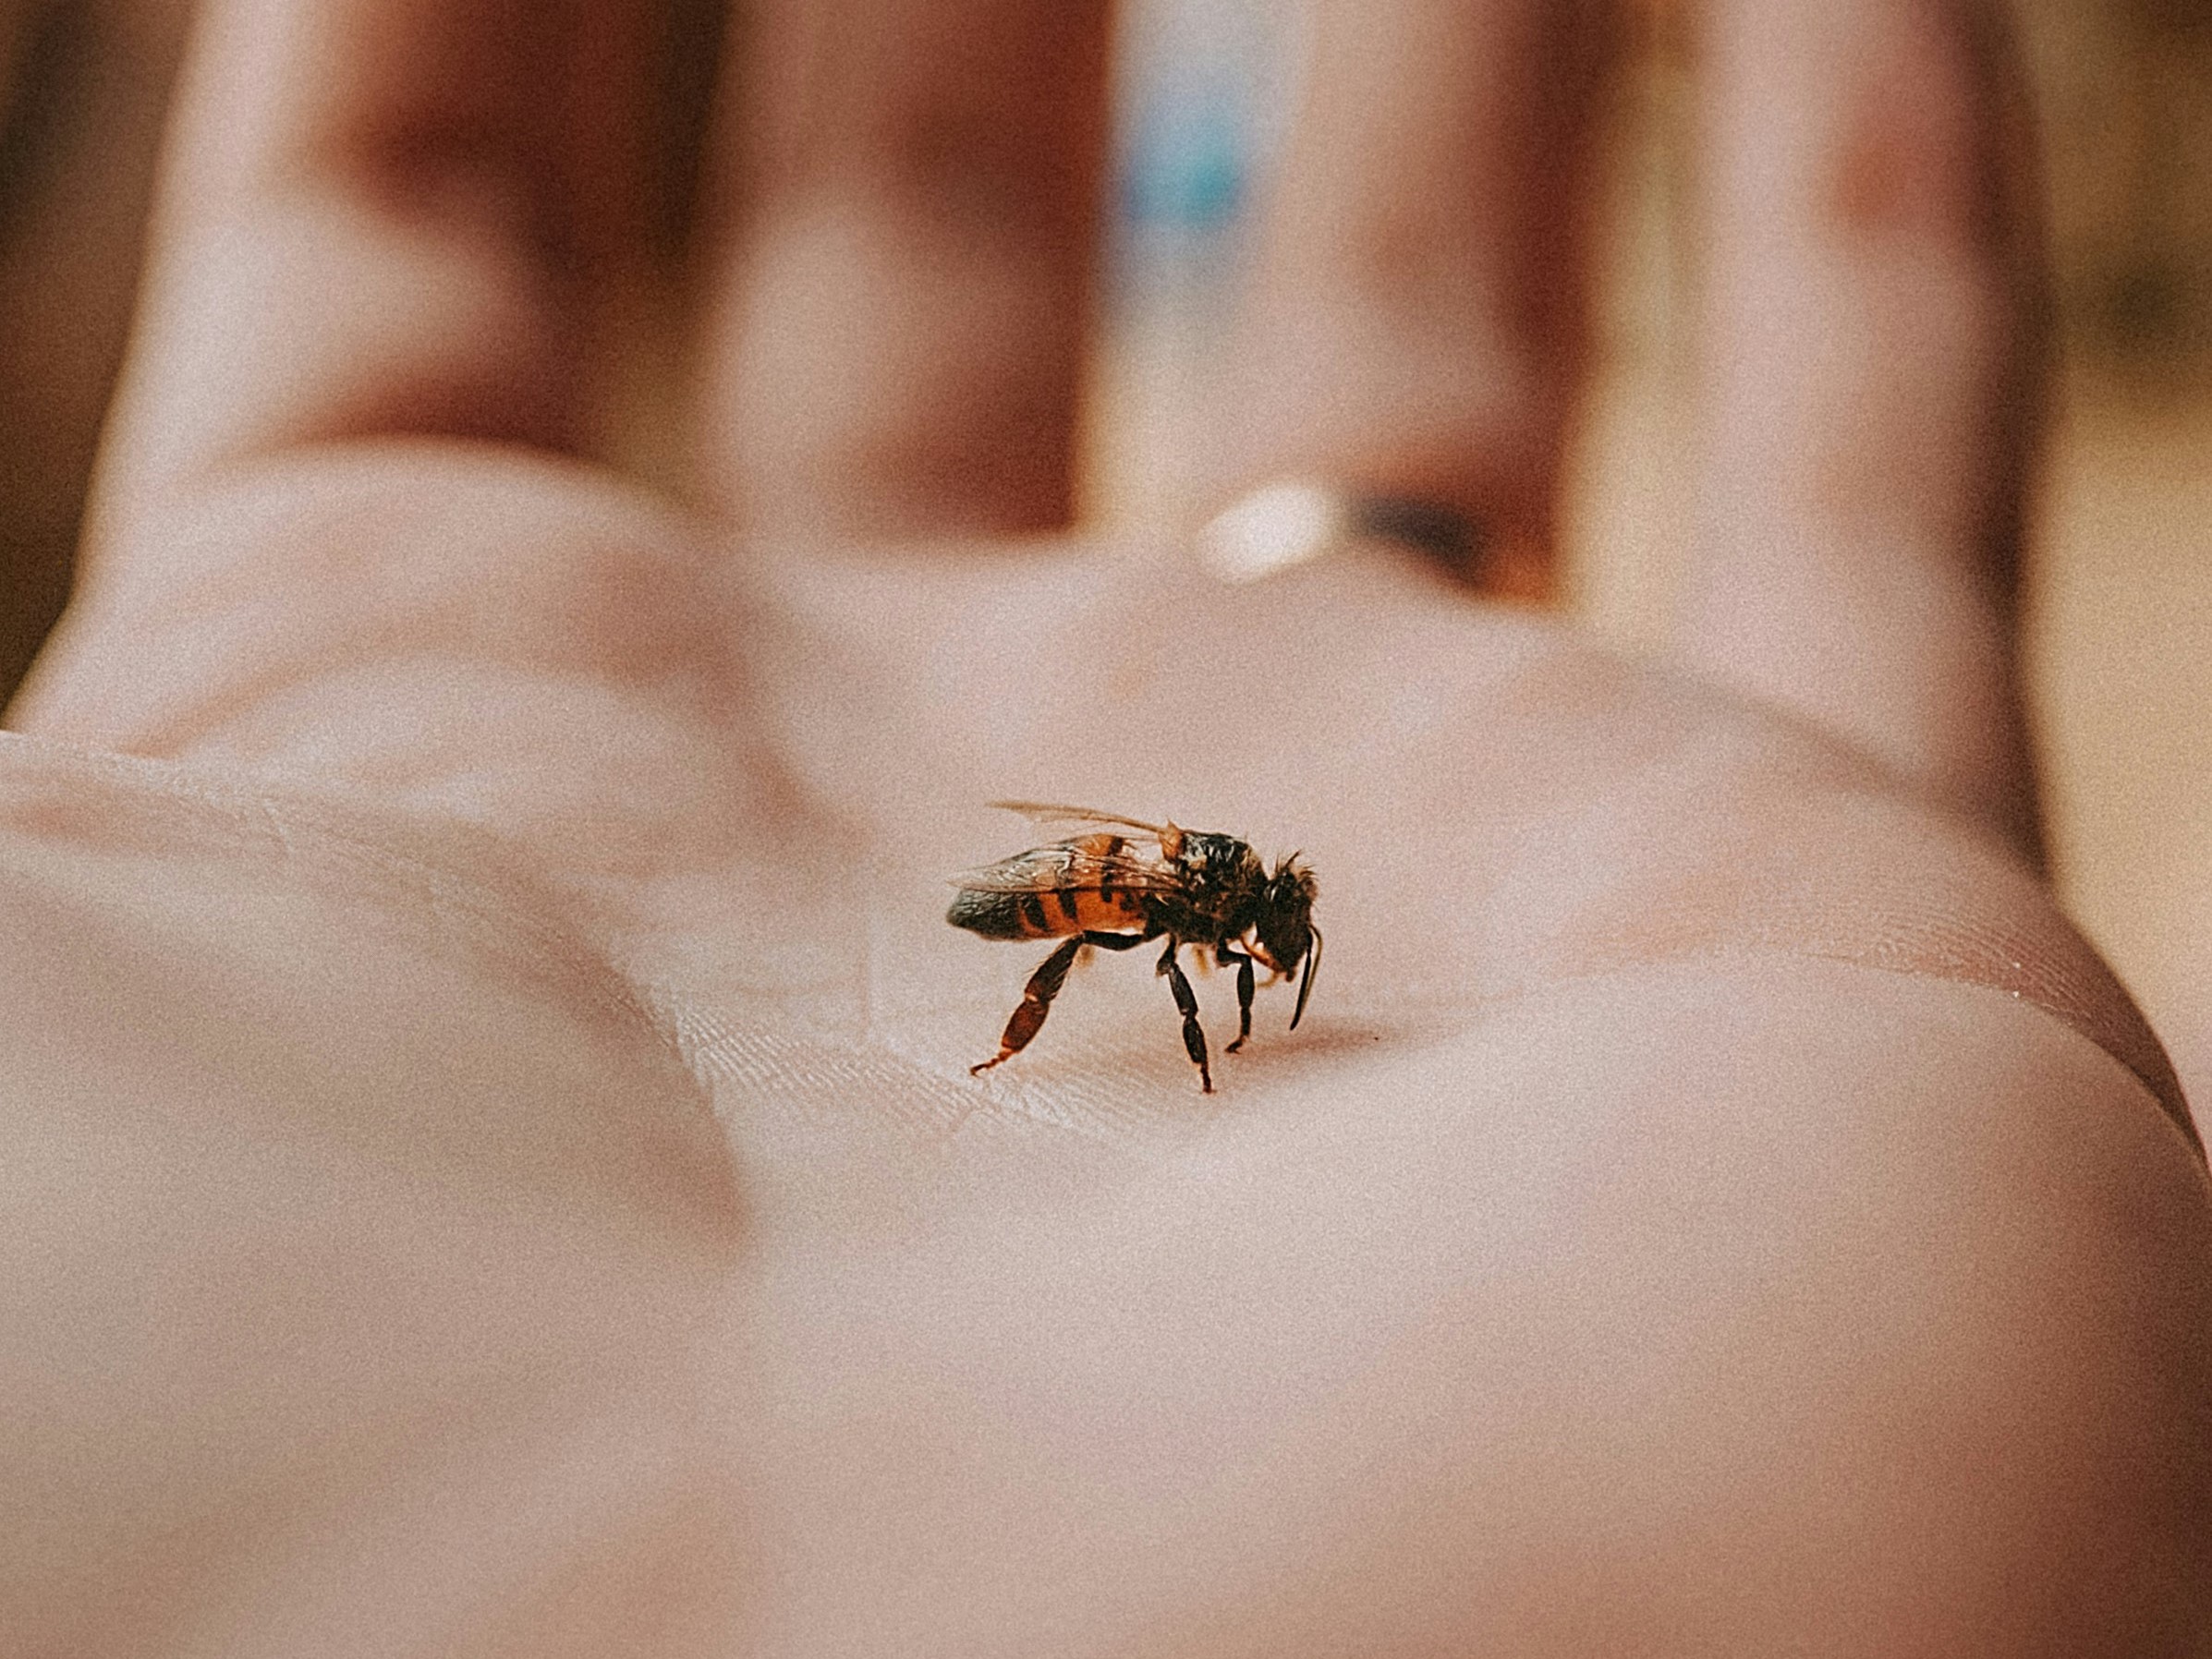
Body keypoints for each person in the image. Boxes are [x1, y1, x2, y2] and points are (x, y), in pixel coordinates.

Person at [3, 0, 2207, 1652]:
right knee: (1091, 925)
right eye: (1264, 935)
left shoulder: (1220, 900)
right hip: (1029, 909)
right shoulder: (1176, 905)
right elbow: (1115, 906)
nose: (1265, 940)